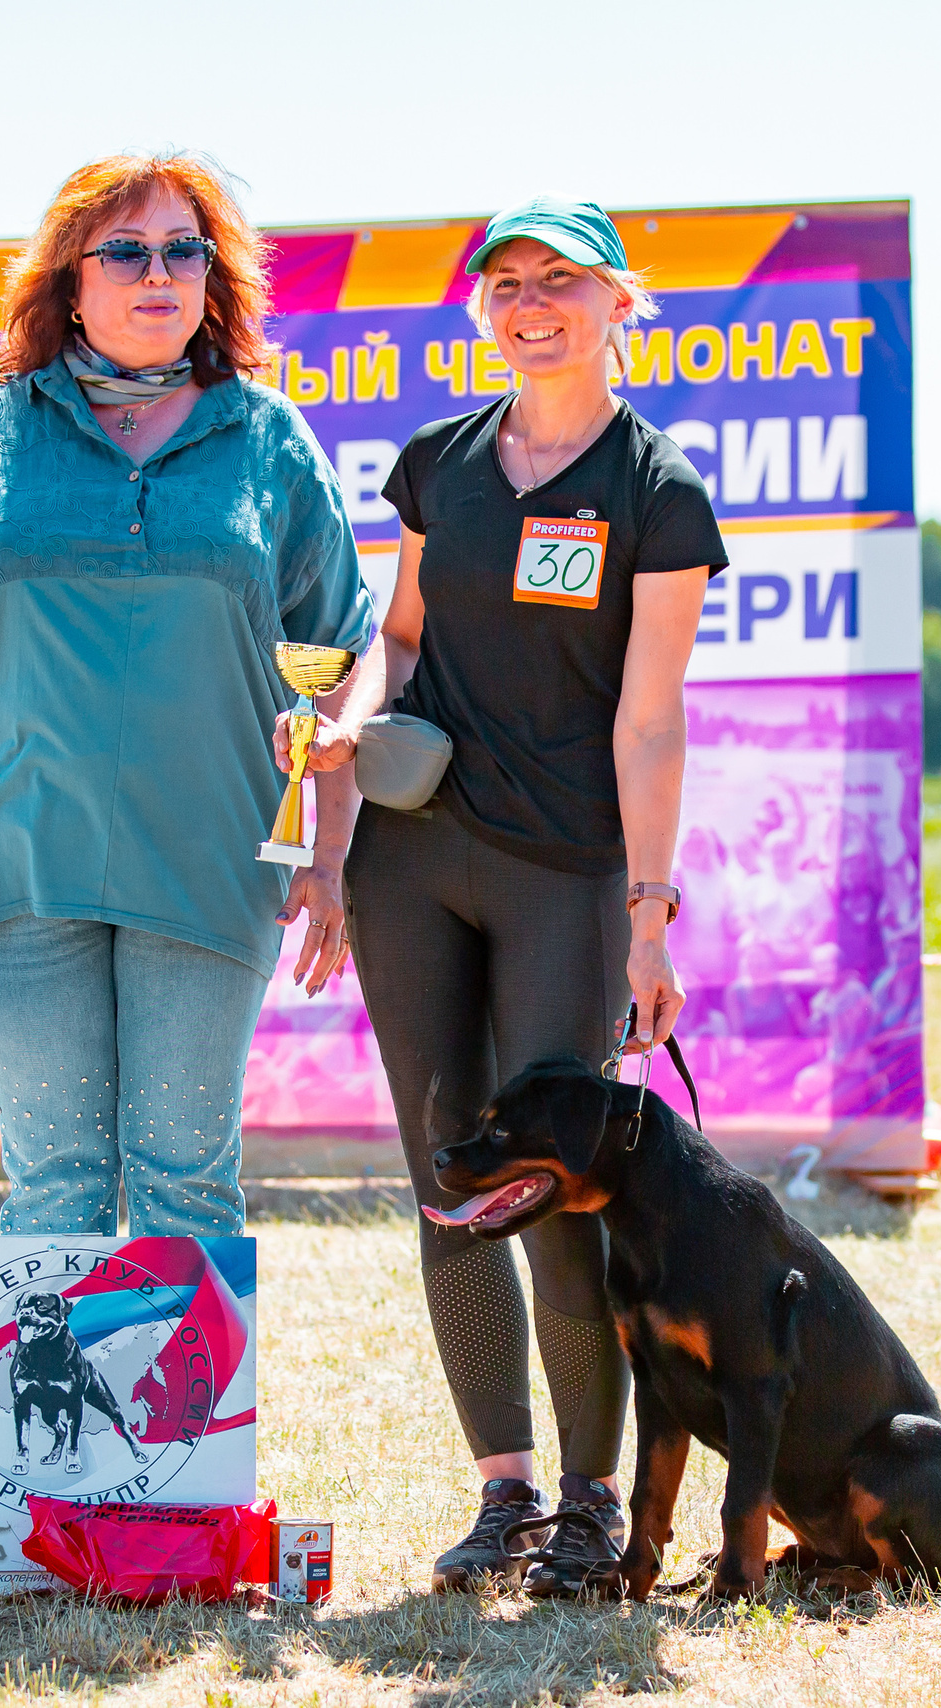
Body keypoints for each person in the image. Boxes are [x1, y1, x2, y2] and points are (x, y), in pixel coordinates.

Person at [300, 196, 724, 1594]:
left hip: (569, 878)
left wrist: (649, 915)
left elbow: (650, 722)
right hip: (417, 864)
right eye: (508, 281)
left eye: (564, 280)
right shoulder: (439, 464)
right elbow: (400, 640)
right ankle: (506, 1495)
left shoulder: (656, 490)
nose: (531, 302)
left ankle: (598, 1504)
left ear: (620, 304)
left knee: (556, 1185)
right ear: (481, 306)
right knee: (447, 1179)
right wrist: (342, 728)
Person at [0, 153, 374, 1238]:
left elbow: (344, 661)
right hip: (19, 856)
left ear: (213, 277)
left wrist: (331, 859)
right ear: (69, 280)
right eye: (126, 250)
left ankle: (180, 1414)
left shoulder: (268, 442)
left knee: (186, 1178)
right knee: (54, 1184)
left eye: (184, 250)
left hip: (214, 861)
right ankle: (54, 1414)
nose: (158, 273)